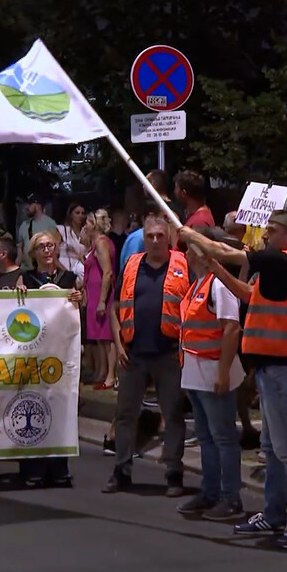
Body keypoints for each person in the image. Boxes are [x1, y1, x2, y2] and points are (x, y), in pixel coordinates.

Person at [179, 209, 287, 548]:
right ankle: (273, 514)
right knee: (271, 448)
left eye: (272, 229)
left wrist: (192, 236)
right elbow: (248, 295)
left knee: (286, 450)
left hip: (282, 369)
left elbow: (228, 251)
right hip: (275, 368)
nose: (266, 234)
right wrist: (217, 270)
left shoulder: (281, 260)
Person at [104, 213, 191, 498]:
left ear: (169, 239)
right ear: (143, 238)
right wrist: (118, 345)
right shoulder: (131, 265)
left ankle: (174, 473)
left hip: (169, 354)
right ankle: (122, 470)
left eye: (160, 236)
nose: (154, 241)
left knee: (173, 415)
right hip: (134, 354)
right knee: (125, 414)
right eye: (150, 236)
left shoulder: (183, 265)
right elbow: (116, 307)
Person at [175, 228, 245, 521]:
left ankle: (230, 498)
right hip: (195, 372)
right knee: (206, 436)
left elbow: (232, 327)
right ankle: (211, 491)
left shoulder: (218, 284)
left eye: (191, 249)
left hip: (212, 372)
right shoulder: (200, 284)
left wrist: (223, 372)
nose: (187, 255)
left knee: (223, 437)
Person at [18, 230, 85, 486]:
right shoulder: (26, 278)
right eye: (41, 247)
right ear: (33, 253)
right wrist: (19, 292)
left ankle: (59, 466)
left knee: (60, 406)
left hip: (60, 352)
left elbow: (80, 308)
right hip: (33, 352)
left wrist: (79, 299)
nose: (47, 251)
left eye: (50, 246)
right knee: (32, 403)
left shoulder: (68, 278)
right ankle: (32, 466)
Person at [83, 210, 118, 391]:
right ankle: (103, 372)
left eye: (88, 222)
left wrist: (102, 300)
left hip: (101, 293)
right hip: (94, 292)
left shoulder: (102, 243)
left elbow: (107, 272)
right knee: (99, 337)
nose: (85, 226)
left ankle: (111, 375)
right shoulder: (95, 244)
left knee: (106, 336)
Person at [16, 194, 57, 270]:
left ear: (37, 205)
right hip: (25, 270)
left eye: (29, 204)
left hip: (42, 270)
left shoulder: (50, 224)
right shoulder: (24, 225)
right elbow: (20, 252)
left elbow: (55, 250)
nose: (26, 207)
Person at [56, 203, 87, 277]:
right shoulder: (62, 230)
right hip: (65, 271)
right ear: (70, 215)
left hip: (81, 272)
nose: (80, 216)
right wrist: (64, 272)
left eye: (82, 213)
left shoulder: (86, 232)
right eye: (77, 213)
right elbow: (54, 255)